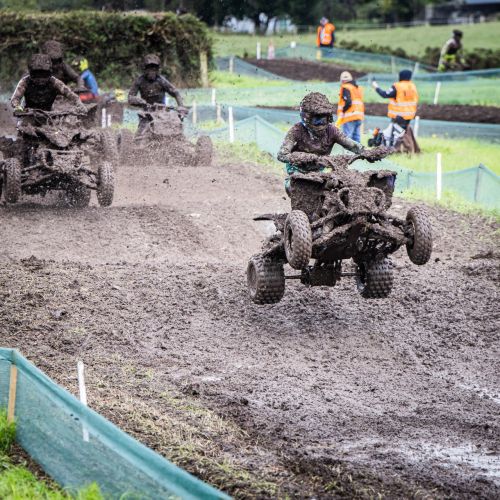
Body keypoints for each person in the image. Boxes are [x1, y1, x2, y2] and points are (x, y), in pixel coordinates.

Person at [277, 92, 365, 193]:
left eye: (324, 120)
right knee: (293, 187)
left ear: (329, 118)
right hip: (297, 170)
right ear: (306, 118)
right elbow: (281, 155)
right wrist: (304, 157)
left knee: (337, 184)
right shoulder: (297, 130)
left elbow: (352, 145)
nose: (321, 124)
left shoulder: (332, 131)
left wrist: (367, 152)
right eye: (317, 120)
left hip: (318, 172)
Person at [128, 54, 185, 135]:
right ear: (145, 69)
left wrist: (181, 108)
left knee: (175, 129)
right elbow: (130, 97)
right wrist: (139, 101)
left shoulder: (161, 80)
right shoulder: (139, 81)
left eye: (154, 68)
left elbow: (176, 93)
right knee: (141, 132)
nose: (152, 71)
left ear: (157, 70)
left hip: (162, 112)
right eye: (149, 68)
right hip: (146, 113)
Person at [11, 54, 83, 112]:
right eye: (36, 75)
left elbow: (70, 94)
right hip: (28, 113)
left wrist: (79, 104)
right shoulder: (25, 82)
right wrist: (17, 107)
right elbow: (15, 98)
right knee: (23, 125)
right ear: (30, 73)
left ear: (49, 73)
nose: (40, 79)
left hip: (48, 114)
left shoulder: (55, 82)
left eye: (44, 75)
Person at [336, 71, 364, 142]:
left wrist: (343, 111)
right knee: (356, 139)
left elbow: (348, 102)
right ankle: (358, 150)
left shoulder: (346, 88)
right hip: (359, 117)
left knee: (347, 139)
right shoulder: (357, 88)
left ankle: (348, 150)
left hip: (349, 117)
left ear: (342, 80)